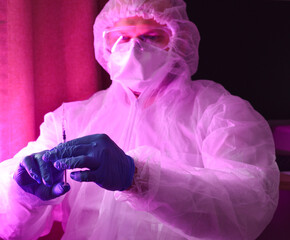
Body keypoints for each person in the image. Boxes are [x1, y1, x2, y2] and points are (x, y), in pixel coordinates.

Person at [0, 0, 280, 239]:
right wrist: (23, 195)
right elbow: (11, 226)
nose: (133, 48)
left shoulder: (220, 112)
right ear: (104, 42)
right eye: (120, 37)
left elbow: (248, 207)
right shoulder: (68, 120)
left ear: (178, 41)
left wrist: (139, 177)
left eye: (152, 36)